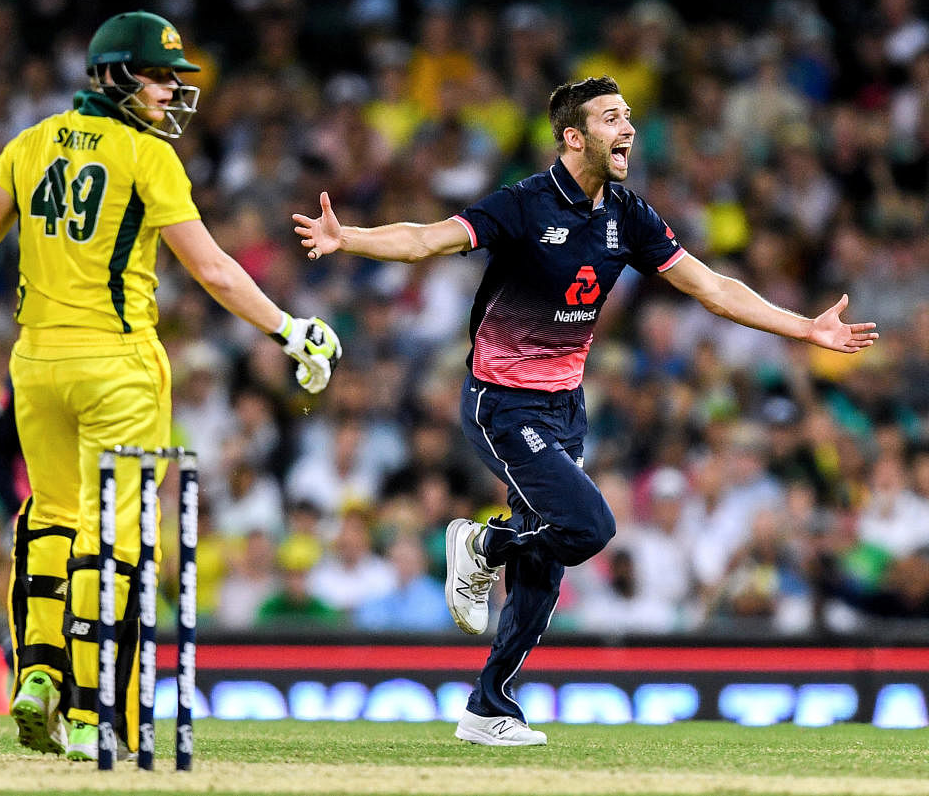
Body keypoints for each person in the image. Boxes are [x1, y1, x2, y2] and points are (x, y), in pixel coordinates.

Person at [293, 75, 877, 746]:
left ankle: (489, 705)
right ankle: (481, 543)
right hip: (502, 404)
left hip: (566, 407)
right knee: (590, 526)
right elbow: (428, 239)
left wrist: (803, 327)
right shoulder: (522, 204)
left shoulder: (627, 214)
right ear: (574, 136)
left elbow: (711, 287)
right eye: (610, 118)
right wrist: (351, 238)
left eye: (628, 116)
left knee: (545, 562)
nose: (627, 128)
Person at [0, 10, 342, 762]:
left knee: (48, 516)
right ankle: (109, 714)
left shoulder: (26, 146)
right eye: (160, 76)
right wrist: (289, 329)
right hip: (120, 367)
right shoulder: (145, 156)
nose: (171, 91)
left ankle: (37, 672)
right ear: (114, 75)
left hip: (34, 367)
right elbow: (215, 271)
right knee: (120, 542)